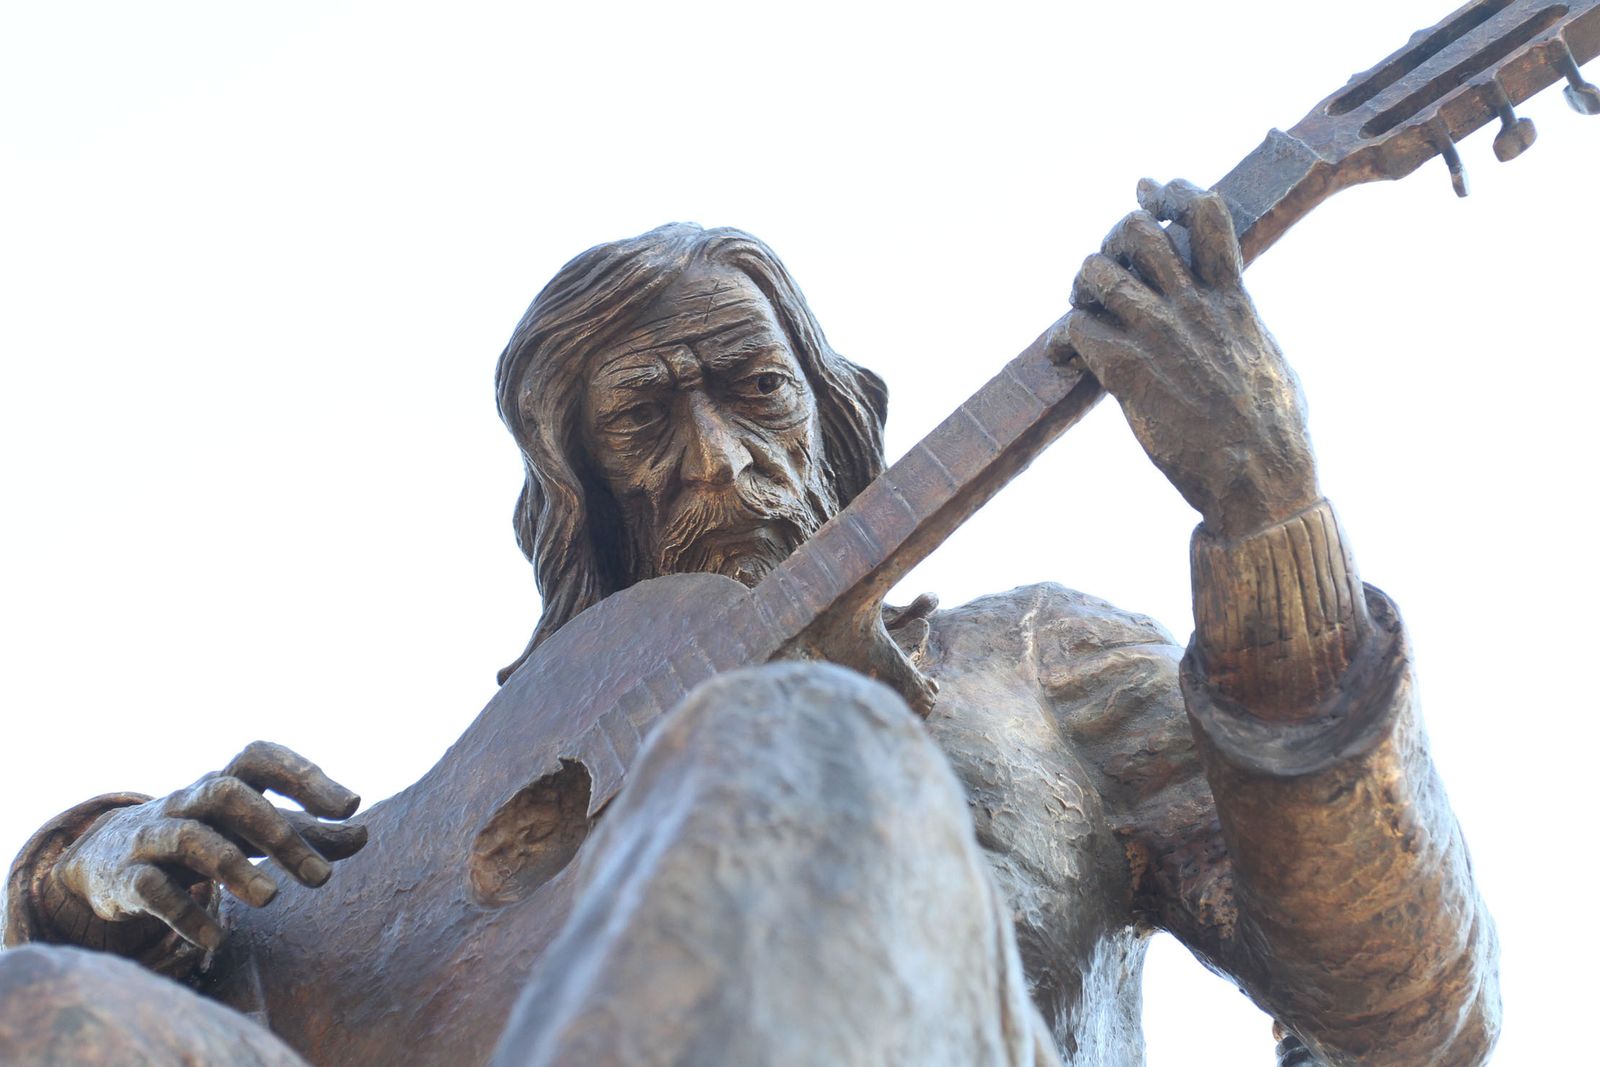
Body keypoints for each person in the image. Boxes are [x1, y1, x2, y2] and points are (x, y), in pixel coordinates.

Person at [1, 183, 1499, 1066]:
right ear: (587, 502)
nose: (717, 460)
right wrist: (87, 875)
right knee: (46, 1011)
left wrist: (1269, 512)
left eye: (755, 388)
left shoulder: (1025, 661)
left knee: (798, 733)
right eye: (648, 419)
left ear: (836, 424)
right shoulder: (469, 824)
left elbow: (1416, 1005)